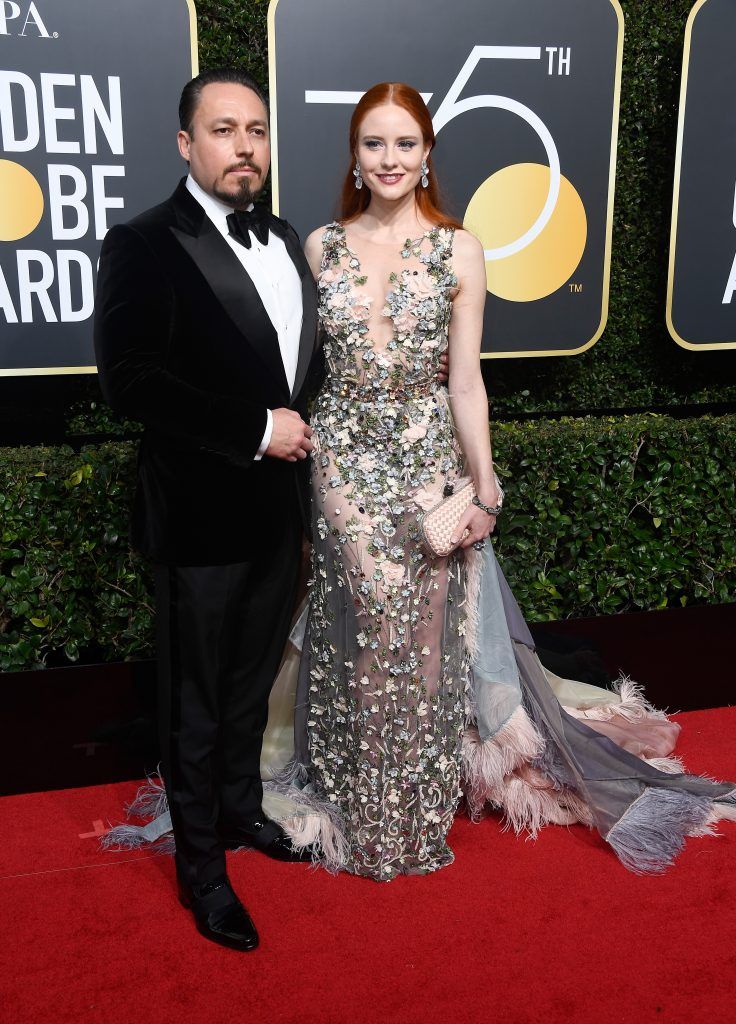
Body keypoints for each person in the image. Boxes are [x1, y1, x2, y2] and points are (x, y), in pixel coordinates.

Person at [293, 82, 736, 880]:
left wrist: (487, 491)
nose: (389, 159)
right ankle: (356, 799)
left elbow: (466, 383)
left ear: (428, 154)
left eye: (405, 144)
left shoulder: (460, 248)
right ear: (353, 158)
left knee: (425, 641)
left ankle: (413, 816)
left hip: (429, 464)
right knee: (362, 622)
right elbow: (298, 368)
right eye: (373, 144)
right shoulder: (320, 245)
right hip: (343, 463)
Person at [94, 67, 320, 952]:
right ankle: (202, 873)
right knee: (192, 703)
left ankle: (239, 812)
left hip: (277, 515)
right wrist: (258, 428)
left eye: (256, 130)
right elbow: (131, 382)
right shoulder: (142, 242)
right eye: (224, 131)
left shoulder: (287, 235)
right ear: (187, 145)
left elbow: (297, 368)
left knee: (248, 689)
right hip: (197, 518)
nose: (245, 146)